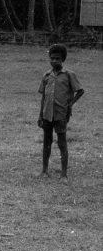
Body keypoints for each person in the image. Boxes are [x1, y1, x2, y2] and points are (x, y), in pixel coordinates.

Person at [37, 44, 84, 182]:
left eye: (57, 58)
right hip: (47, 114)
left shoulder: (69, 75)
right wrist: (40, 115)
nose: (54, 61)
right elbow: (43, 96)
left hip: (61, 114)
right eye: (52, 58)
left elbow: (80, 91)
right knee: (47, 141)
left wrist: (71, 103)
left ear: (63, 59)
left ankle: (63, 174)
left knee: (62, 143)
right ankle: (44, 170)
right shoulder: (46, 75)